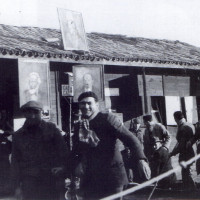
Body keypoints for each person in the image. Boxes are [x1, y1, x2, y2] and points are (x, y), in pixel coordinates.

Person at [71, 91, 151, 200]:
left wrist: (141, 159)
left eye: (89, 103)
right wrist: (71, 166)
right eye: (82, 103)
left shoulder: (108, 119)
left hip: (112, 177)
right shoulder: (78, 125)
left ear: (97, 105)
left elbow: (130, 139)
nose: (86, 106)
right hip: (91, 178)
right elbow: (76, 150)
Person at [9, 101, 69, 200]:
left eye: (36, 112)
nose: (32, 116)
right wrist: (16, 188)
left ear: (41, 112)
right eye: (29, 112)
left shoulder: (52, 129)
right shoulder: (18, 135)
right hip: (29, 182)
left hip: (51, 180)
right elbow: (15, 162)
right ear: (24, 114)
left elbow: (64, 152)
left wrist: (63, 168)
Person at [170, 111, 196, 190]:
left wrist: (173, 153)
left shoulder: (183, 127)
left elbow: (181, 144)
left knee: (186, 173)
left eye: (174, 119)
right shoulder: (189, 124)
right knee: (187, 172)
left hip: (186, 153)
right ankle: (189, 190)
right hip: (190, 151)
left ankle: (191, 192)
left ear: (176, 118)